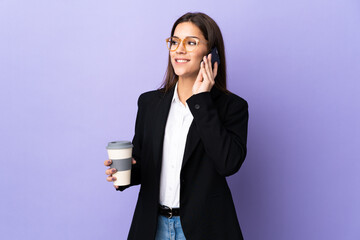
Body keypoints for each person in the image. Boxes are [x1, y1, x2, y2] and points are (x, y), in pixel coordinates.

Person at [104, 12, 249, 240]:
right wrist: (124, 174)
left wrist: (202, 101)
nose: (179, 49)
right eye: (174, 41)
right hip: (154, 227)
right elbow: (144, 163)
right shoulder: (150, 103)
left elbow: (228, 164)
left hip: (204, 230)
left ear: (211, 54)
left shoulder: (232, 107)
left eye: (191, 42)